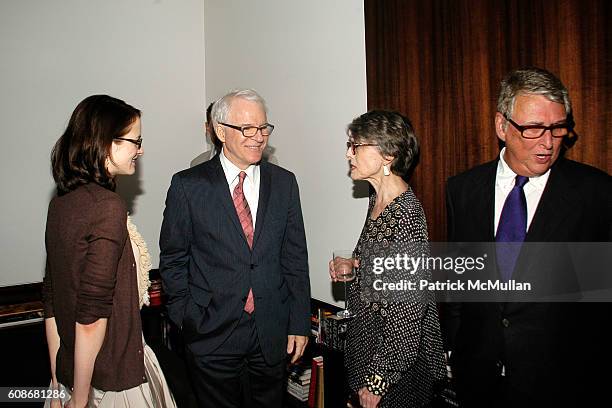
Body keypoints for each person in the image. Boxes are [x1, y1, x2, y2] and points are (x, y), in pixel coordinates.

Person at [444, 67, 612, 407]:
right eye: (534, 129)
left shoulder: (596, 194)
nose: (548, 143)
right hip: (478, 381)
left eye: (558, 128)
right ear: (502, 126)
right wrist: (453, 349)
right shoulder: (463, 190)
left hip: (562, 385)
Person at [160, 88, 311, 407]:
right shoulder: (188, 186)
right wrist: (186, 318)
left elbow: (295, 258)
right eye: (247, 129)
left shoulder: (285, 183)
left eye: (263, 128)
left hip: (271, 330)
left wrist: (298, 322)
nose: (258, 137)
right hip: (210, 331)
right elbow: (174, 259)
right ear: (220, 131)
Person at [42, 95, 176, 408]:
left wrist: (56, 380)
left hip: (72, 373)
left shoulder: (60, 204)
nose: (140, 150)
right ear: (106, 143)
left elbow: (52, 300)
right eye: (135, 140)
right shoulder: (107, 206)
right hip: (113, 380)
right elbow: (91, 316)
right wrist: (80, 398)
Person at [329, 110, 446, 408]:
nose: (348, 154)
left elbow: (407, 313)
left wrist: (378, 380)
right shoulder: (377, 200)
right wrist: (356, 268)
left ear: (387, 154)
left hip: (394, 372)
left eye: (355, 146)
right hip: (367, 349)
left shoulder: (405, 215)